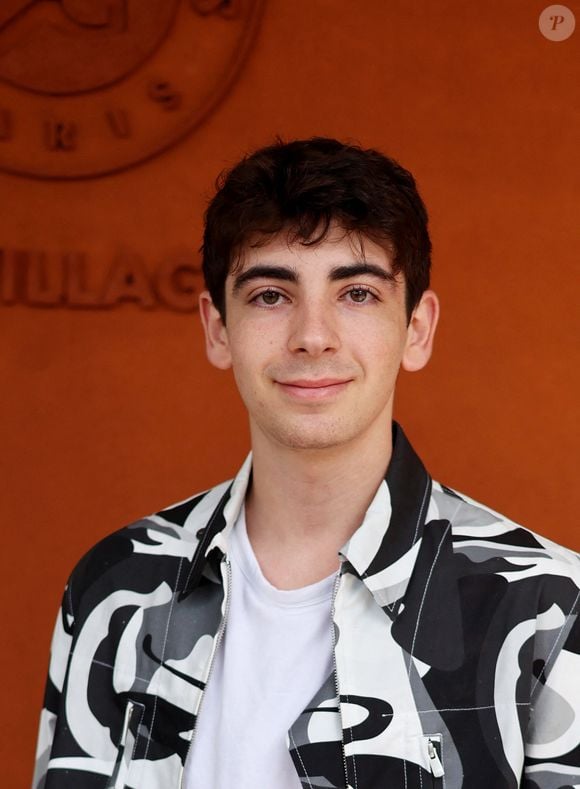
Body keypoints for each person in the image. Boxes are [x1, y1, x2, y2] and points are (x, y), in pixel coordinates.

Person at [33, 138, 580, 789]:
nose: (312, 334)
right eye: (270, 294)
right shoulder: (113, 584)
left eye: (357, 294)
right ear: (217, 328)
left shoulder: (550, 608)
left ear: (417, 329)